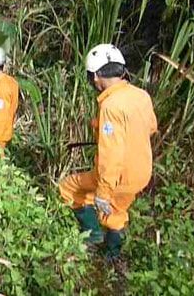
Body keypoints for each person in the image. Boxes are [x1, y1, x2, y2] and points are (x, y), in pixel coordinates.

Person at [59, 43, 157, 265]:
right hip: (141, 173)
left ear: (95, 76)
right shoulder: (142, 95)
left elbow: (111, 156)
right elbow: (150, 126)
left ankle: (93, 234)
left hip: (117, 175)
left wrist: (103, 190)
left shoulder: (110, 106)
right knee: (117, 208)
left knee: (68, 187)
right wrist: (101, 125)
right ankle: (112, 254)